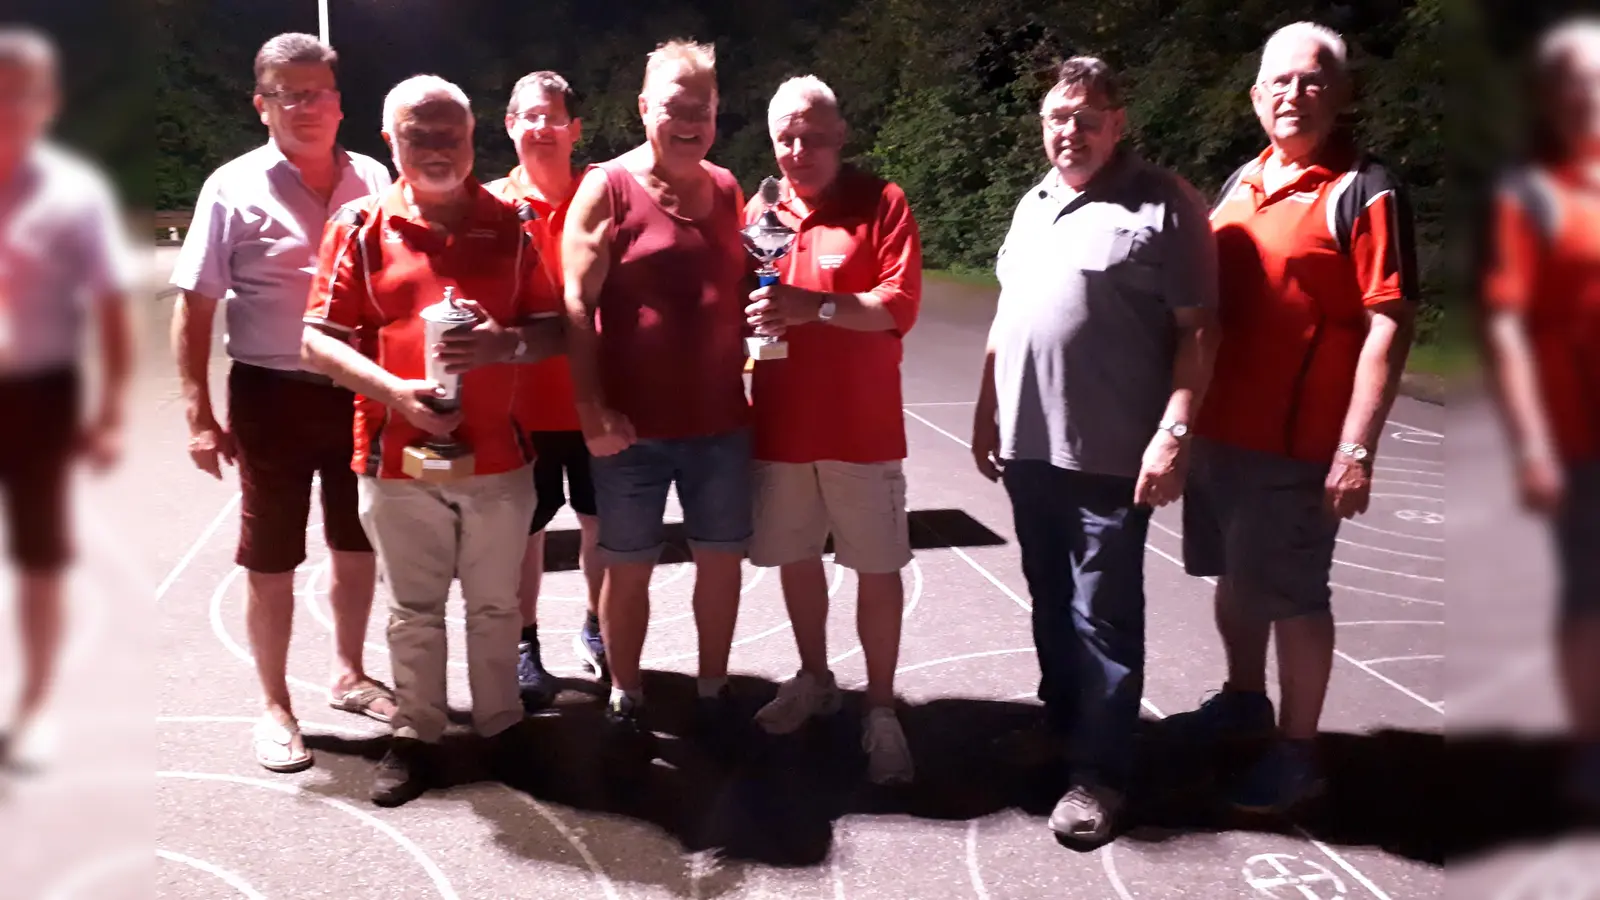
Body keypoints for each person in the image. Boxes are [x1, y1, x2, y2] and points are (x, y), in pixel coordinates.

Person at [1168, 22, 1418, 813]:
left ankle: (1299, 751)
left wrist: (1356, 447)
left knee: (1297, 596)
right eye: (1279, 81)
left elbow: (1390, 320)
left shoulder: (1363, 188)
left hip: (1297, 446)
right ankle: (1244, 699)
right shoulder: (1244, 178)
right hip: (1219, 435)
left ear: (1340, 94)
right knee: (1236, 581)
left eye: (1313, 81)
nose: (1293, 95)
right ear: (1255, 97)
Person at [301, 74, 567, 806]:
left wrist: (503, 345)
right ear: (390, 139)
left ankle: (500, 727)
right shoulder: (358, 226)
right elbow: (315, 343)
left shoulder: (509, 224)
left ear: (474, 136)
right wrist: (394, 393)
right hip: (395, 459)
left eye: (450, 131)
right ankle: (417, 733)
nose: (437, 145)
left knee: (494, 606)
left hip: (500, 458)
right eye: (419, 131)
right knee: (413, 609)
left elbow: (554, 328)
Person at [971, 57, 1219, 842]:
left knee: (1102, 616)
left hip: (1112, 452)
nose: (1069, 131)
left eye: (1086, 117)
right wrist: (986, 413)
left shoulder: (1165, 205)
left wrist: (1174, 431)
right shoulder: (1032, 203)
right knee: (1050, 601)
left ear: (1118, 123)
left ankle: (1100, 773)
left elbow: (1199, 331)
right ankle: (1060, 724)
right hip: (1029, 447)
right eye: (1057, 118)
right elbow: (1009, 319)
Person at [169, 32, 395, 773]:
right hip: (270, 395)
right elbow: (194, 306)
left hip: (359, 387)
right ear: (261, 105)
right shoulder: (231, 187)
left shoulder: (374, 176)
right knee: (269, 557)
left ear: (339, 102)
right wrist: (199, 416)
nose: (306, 107)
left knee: (357, 542)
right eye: (288, 94)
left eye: (318, 92)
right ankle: (273, 705)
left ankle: (349, 673)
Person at [562, 39, 750, 745]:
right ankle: (626, 688)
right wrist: (590, 410)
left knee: (721, 562)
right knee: (628, 566)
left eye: (700, 108)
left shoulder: (728, 187)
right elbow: (575, 304)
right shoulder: (606, 186)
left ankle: (712, 686)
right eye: (674, 106)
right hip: (630, 429)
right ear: (645, 109)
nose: (689, 120)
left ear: (716, 112)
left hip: (722, 423)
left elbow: (732, 287)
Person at [741, 75, 922, 785]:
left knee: (876, 569)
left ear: (840, 134)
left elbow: (896, 306)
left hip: (862, 427)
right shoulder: (760, 214)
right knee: (795, 558)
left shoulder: (881, 202)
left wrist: (809, 307)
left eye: (813, 134)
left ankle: (881, 710)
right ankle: (815, 678)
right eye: (785, 135)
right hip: (781, 424)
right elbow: (742, 305)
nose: (798, 148)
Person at [0, 26, 134, 767]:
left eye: (24, 92)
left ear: (47, 102)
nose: (9, 106)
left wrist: (110, 411)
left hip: (41, 397)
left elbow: (109, 307)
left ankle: (36, 702)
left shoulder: (73, 195)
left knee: (39, 560)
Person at [1481, 15, 1600, 816]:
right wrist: (1530, 444)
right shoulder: (1531, 192)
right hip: (1578, 438)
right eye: (1573, 83)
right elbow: (1510, 325)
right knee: (1587, 599)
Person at [487, 70, 606, 708]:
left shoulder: (605, 193)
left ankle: (599, 626)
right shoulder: (487, 205)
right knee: (522, 533)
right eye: (528, 116)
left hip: (594, 397)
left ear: (573, 128)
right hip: (517, 407)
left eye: (553, 117)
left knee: (602, 526)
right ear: (509, 125)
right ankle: (525, 641)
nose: (540, 127)